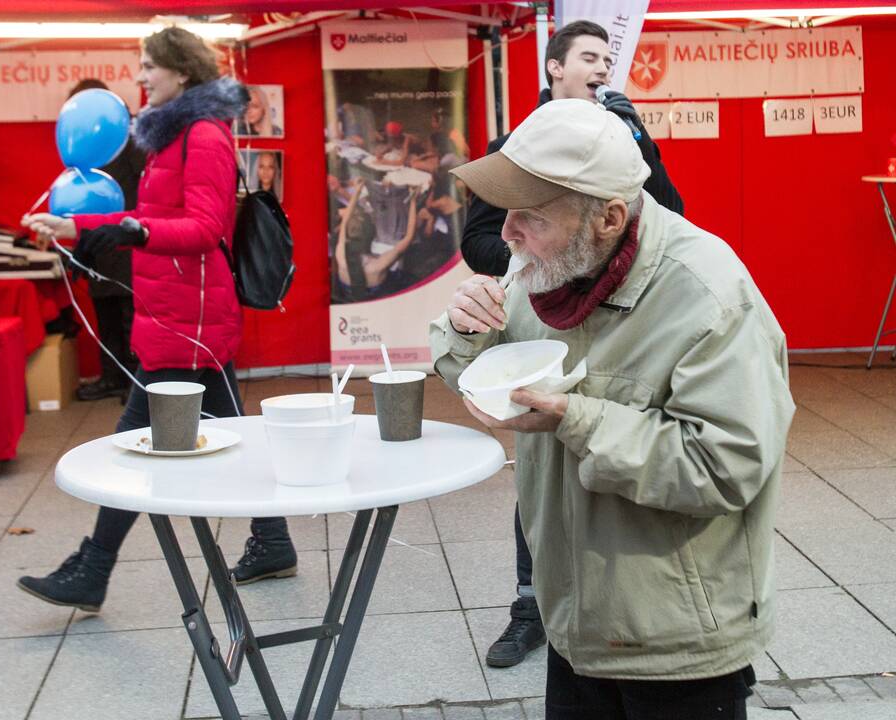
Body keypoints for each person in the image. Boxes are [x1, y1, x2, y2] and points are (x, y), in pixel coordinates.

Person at [433, 98, 794, 719]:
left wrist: (577, 419)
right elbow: (481, 372)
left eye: (531, 217)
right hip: (572, 619)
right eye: (506, 211)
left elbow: (724, 465)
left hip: (675, 639)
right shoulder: (545, 270)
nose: (507, 233)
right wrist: (466, 330)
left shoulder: (709, 295)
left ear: (609, 217)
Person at [17, 27, 297, 613]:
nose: (140, 77)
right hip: (173, 314)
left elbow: (204, 229)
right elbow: (149, 214)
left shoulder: (204, 135)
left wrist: (133, 231)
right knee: (222, 433)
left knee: (134, 439)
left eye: (149, 66)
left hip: (189, 321)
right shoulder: (171, 136)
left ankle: (95, 568)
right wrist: (80, 227)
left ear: (182, 74)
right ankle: (271, 540)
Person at [461, 19, 685, 670]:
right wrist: (538, 258)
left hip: (623, 330)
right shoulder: (513, 147)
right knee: (540, 470)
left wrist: (640, 138)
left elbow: (675, 218)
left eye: (607, 59)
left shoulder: (625, 141)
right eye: (590, 57)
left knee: (613, 460)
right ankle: (530, 611)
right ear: (554, 68)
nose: (602, 68)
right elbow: (477, 240)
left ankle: (614, 606)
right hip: (545, 325)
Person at [62, 79, 147, 403]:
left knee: (129, 316)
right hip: (97, 241)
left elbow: (143, 188)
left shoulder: (129, 138)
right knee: (105, 315)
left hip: (125, 237)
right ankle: (112, 377)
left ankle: (135, 382)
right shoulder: (84, 145)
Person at [334, 179, 418, 301]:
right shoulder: (377, 266)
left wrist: (357, 192)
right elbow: (409, 237)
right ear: (371, 240)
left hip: (349, 295)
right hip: (379, 296)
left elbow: (344, 224)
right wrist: (413, 200)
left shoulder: (341, 255)